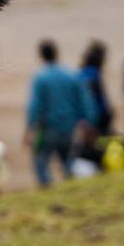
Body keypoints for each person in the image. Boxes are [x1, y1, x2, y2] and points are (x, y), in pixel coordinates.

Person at [25, 40, 88, 188]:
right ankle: (70, 188)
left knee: (40, 161)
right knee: (67, 161)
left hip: (48, 129)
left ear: (41, 56)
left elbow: (35, 107)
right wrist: (85, 121)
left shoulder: (40, 78)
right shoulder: (71, 74)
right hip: (69, 127)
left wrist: (29, 130)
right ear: (57, 53)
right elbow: (82, 101)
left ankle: (47, 189)